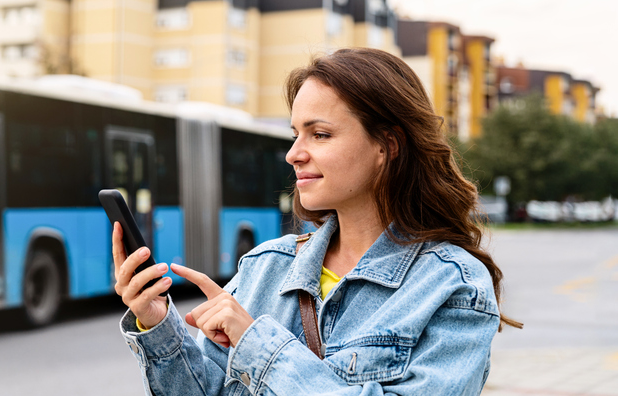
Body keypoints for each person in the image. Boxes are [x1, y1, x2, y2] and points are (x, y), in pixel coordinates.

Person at [112, 47, 522, 395]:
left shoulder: (452, 285)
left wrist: (258, 345)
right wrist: (157, 322)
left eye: (320, 134)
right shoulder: (264, 266)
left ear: (388, 145)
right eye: (295, 134)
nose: (293, 154)